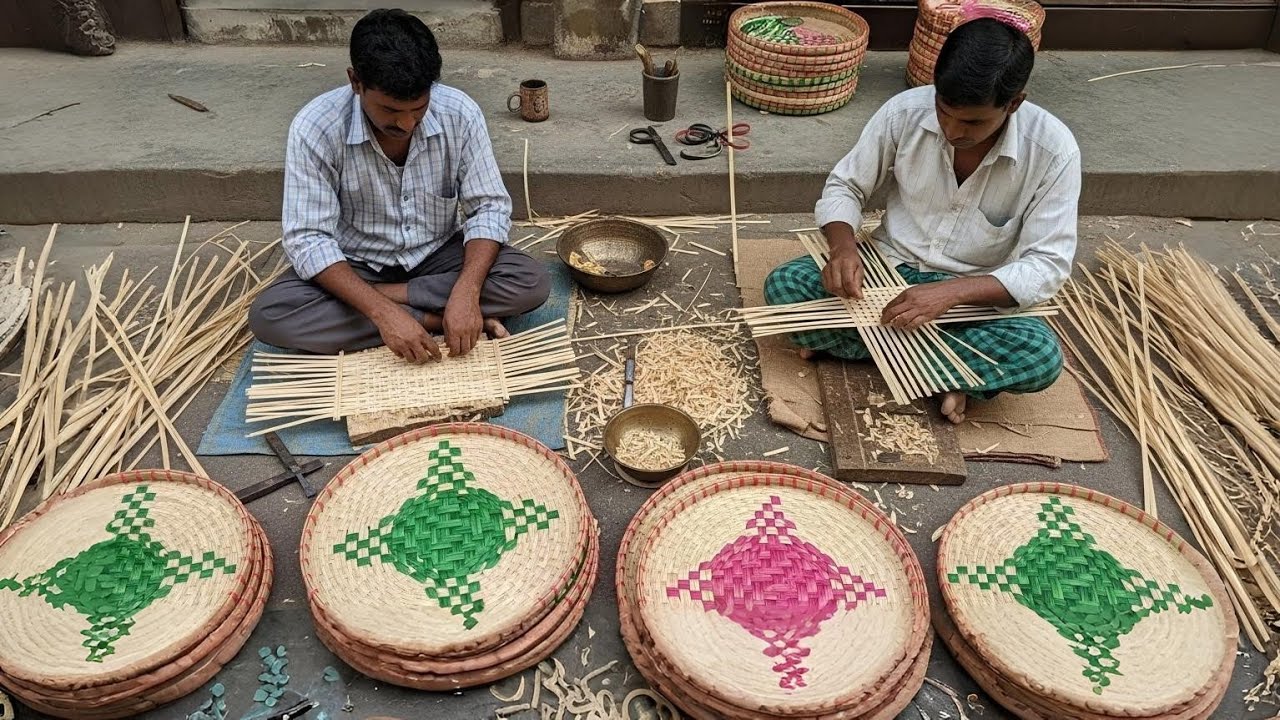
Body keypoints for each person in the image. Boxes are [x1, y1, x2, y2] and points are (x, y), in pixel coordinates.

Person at [764, 17, 1079, 424]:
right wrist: (842, 249)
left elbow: (1047, 266)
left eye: (972, 122)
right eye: (944, 111)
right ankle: (951, 375)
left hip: (972, 300)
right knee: (785, 288)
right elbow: (845, 186)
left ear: (1014, 102)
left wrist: (949, 294)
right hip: (885, 274)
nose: (951, 130)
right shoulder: (904, 113)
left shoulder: (1053, 151)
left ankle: (865, 351)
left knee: (1041, 354)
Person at [249, 8, 549, 362]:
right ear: (355, 82)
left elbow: (489, 208)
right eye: (391, 110)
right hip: (357, 261)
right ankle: (430, 319)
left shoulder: (460, 113)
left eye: (418, 108)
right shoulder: (316, 128)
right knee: (271, 315)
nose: (406, 124)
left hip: (437, 256)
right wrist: (381, 312)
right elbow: (308, 240)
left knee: (530, 281)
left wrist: (467, 292)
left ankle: (392, 298)